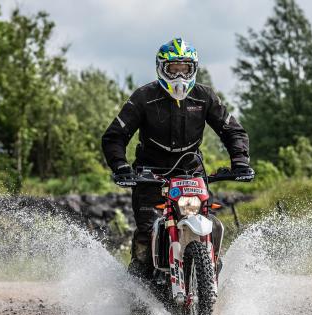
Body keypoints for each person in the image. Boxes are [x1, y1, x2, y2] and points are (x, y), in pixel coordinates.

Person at [101, 37, 252, 280]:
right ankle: (138, 287)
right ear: (162, 68)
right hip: (150, 175)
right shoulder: (143, 97)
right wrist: (121, 166)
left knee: (209, 222)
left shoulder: (205, 97)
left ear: (194, 69)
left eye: (186, 68)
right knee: (147, 231)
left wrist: (240, 161)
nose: (180, 75)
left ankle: (210, 266)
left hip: (191, 174)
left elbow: (232, 130)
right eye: (174, 68)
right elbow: (114, 136)